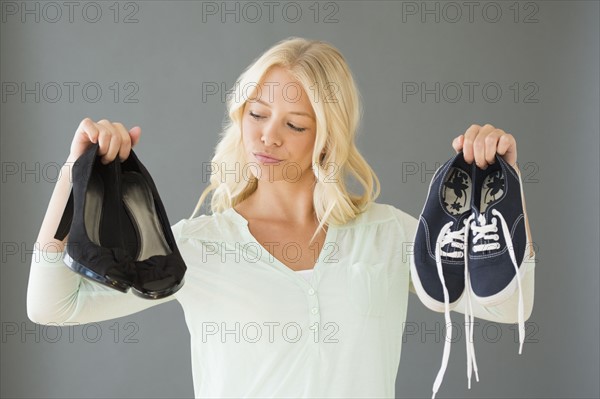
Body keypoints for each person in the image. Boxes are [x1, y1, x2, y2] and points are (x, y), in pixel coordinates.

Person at [27, 36, 536, 398]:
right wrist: (75, 171)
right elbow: (53, 306)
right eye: (256, 114)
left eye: (294, 123)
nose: (267, 136)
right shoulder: (199, 246)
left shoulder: (387, 235)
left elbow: (510, 306)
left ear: (327, 137)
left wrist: (506, 188)